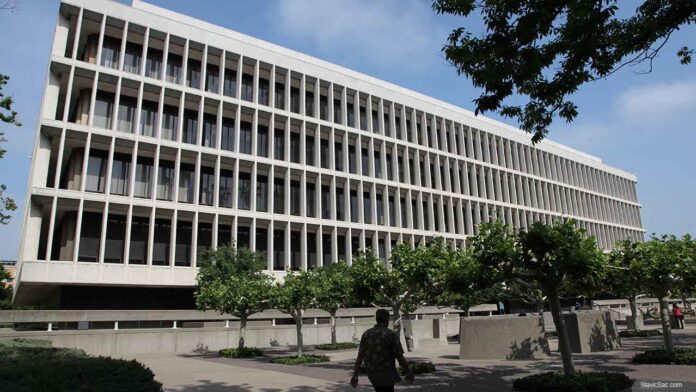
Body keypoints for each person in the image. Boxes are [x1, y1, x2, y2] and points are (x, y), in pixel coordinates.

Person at [351, 309, 414, 392]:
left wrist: (355, 375)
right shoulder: (390, 334)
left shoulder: (367, 334)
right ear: (386, 319)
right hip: (387, 375)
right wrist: (408, 371)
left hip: (372, 374)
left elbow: (360, 356)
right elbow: (399, 356)